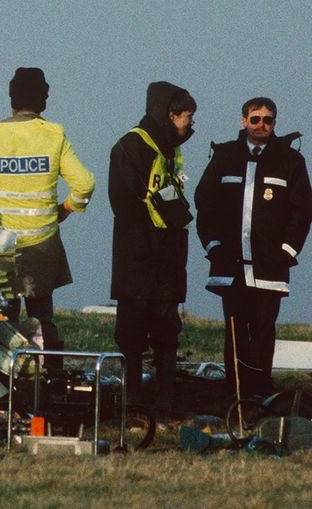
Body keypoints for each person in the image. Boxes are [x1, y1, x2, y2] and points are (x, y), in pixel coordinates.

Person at [0, 67, 95, 356]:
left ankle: (9, 378)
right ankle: (49, 375)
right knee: (43, 316)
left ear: (11, 98)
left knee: (3, 318)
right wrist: (67, 208)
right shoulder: (53, 135)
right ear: (44, 99)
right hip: (42, 248)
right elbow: (85, 184)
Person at [194, 97, 312, 400]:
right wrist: (213, 245)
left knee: (263, 327)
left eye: (268, 120)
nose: (262, 125)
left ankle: (261, 388)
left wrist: (287, 251)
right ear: (243, 121)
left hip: (269, 266)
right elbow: (204, 203)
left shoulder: (290, 161)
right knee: (235, 328)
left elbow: (302, 211)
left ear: (275, 122)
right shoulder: (224, 156)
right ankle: (234, 389)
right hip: (230, 264)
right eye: (255, 119)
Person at [109, 81, 196, 412]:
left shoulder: (169, 150)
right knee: (131, 332)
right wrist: (145, 247)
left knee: (167, 330)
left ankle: (166, 399)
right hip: (139, 259)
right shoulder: (130, 147)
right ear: (171, 114)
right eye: (187, 116)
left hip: (167, 258)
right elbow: (124, 203)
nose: (190, 124)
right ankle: (133, 399)